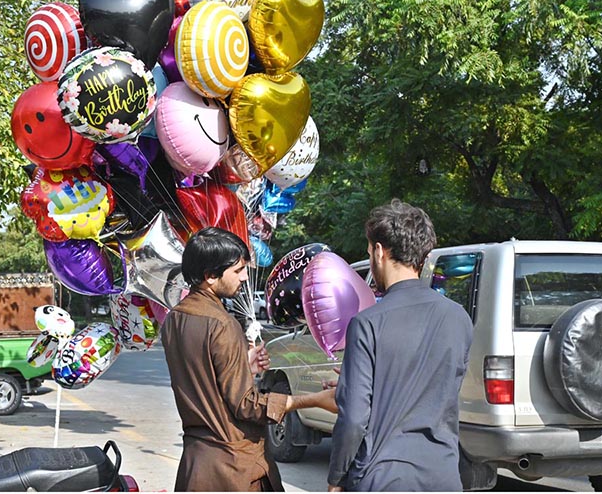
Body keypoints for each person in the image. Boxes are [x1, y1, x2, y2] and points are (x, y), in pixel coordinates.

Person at [162, 227, 336, 492]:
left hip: (196, 465)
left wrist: (243, 365)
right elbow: (247, 406)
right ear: (210, 276)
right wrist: (314, 400)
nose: (244, 277)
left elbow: (204, 377)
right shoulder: (222, 324)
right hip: (233, 469)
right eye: (238, 270)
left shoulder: (174, 318)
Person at [327, 199, 473, 492]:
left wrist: (336, 478)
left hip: (384, 476)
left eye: (369, 251)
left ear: (379, 251)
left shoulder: (367, 323)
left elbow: (354, 418)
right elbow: (433, 391)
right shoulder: (459, 317)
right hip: (443, 475)